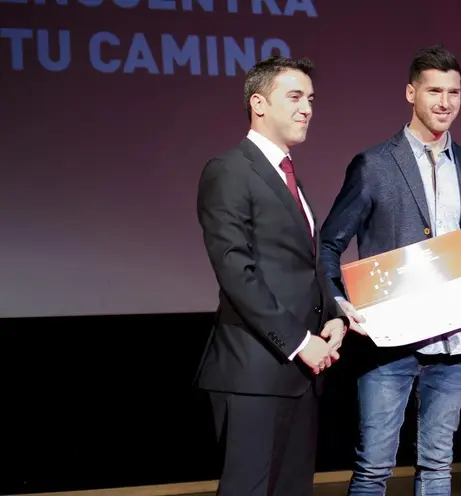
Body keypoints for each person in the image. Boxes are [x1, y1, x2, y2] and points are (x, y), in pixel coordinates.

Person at [318, 45, 461, 495]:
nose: (445, 102)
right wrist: (342, 304)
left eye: (454, 92)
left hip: (455, 342)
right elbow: (328, 244)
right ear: (410, 93)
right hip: (390, 346)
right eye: (434, 90)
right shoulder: (374, 165)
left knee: (438, 467)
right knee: (375, 468)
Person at [194, 55, 349, 496]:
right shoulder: (229, 170)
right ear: (258, 103)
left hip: (302, 375)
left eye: (311, 99)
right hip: (256, 372)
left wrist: (333, 314)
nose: (308, 109)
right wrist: (302, 344)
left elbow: (306, 260)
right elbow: (235, 271)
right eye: (295, 97)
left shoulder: (289, 177)